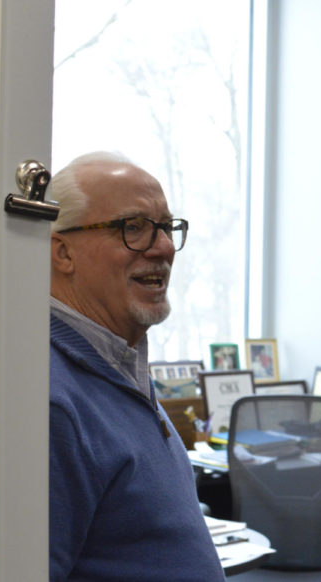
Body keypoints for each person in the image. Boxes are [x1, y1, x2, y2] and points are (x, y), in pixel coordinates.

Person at [47, 151, 224, 581]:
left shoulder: (119, 367)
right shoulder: (53, 401)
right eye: (133, 228)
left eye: (165, 227)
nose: (163, 247)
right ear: (62, 252)